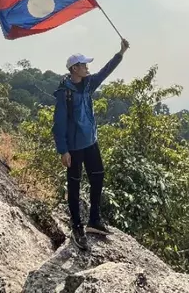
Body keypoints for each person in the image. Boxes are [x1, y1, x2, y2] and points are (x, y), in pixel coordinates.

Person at [52, 38, 130, 250]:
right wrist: (63, 150)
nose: (87, 68)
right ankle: (76, 226)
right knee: (74, 186)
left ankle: (94, 220)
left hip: (91, 142)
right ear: (74, 68)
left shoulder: (88, 85)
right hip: (74, 148)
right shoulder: (64, 93)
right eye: (84, 65)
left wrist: (120, 53)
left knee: (98, 177)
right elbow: (58, 124)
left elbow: (105, 71)